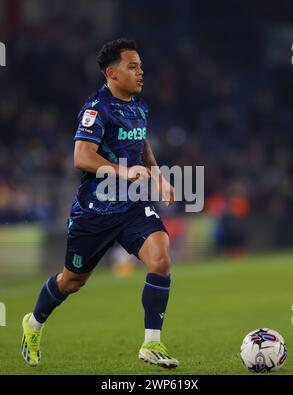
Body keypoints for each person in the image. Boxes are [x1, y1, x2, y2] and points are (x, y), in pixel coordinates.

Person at [21, 38, 179, 369]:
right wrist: (124, 171)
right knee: (72, 281)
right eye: (132, 66)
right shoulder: (96, 109)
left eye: (141, 66)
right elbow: (82, 156)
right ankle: (33, 324)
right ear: (111, 72)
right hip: (95, 211)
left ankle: (152, 343)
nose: (141, 72)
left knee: (161, 257)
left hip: (132, 206)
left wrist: (158, 175)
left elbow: (142, 140)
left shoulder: (138, 106)